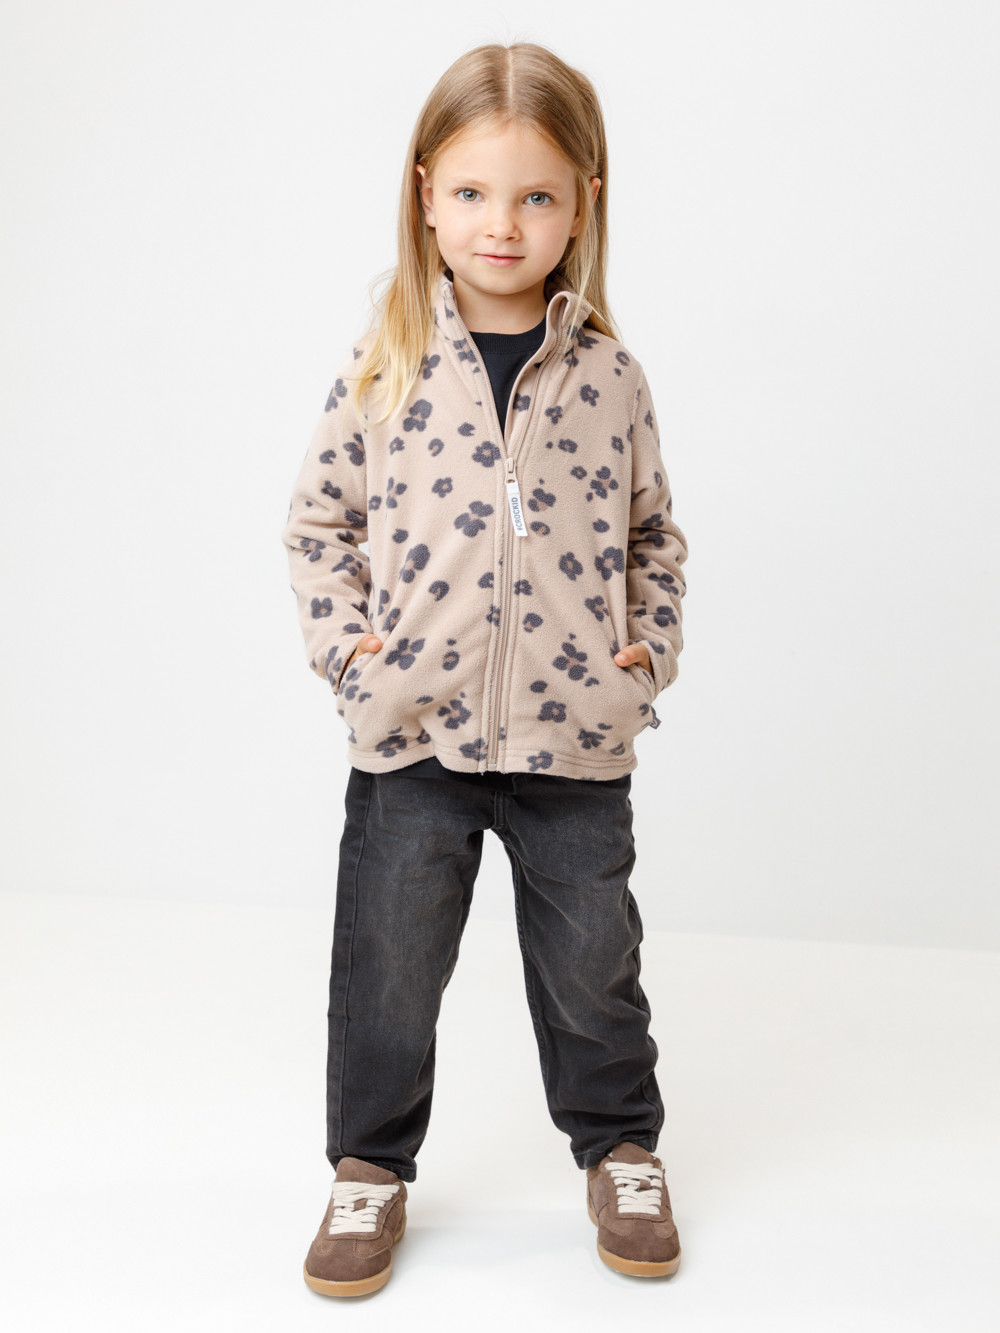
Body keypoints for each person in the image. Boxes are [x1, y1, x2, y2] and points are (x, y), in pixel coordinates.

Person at [282, 41, 688, 1297]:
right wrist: (351, 655)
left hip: (576, 739)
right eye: (470, 192)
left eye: (534, 195)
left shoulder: (610, 379)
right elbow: (317, 526)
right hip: (415, 738)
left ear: (583, 205)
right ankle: (369, 1166)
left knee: (593, 969)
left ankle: (620, 1147)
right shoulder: (385, 364)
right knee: (388, 968)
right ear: (425, 196)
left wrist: (646, 657)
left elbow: (652, 537)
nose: (500, 224)